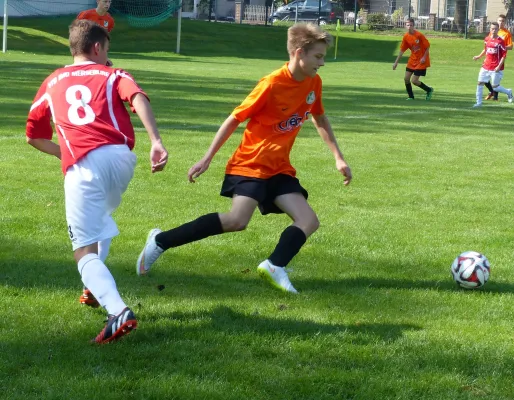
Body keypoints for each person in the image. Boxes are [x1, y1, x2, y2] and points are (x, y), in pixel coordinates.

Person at [136, 22, 352, 294]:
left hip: (279, 168)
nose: (322, 63)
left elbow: (319, 118)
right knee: (237, 221)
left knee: (309, 220)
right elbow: (234, 119)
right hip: (250, 164)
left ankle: (274, 266)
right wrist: (207, 158)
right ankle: (160, 241)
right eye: (318, 56)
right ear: (299, 53)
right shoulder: (271, 84)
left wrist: (338, 157)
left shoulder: (314, 82)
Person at [26, 19, 168, 343]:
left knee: (83, 250)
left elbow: (33, 136)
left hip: (84, 166)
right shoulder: (113, 74)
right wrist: (156, 141)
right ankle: (93, 288)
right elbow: (137, 97)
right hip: (121, 159)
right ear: (97, 47)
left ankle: (117, 312)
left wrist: (65, 152)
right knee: (101, 219)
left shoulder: (52, 81)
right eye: (106, 50)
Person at [472, 22, 513, 108]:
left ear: (498, 30)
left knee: (495, 87)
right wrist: (479, 56)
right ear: (490, 29)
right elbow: (485, 50)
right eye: (492, 29)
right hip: (485, 66)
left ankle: (508, 92)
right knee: (480, 83)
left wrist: (498, 66)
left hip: (495, 68)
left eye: (495, 29)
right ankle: (478, 103)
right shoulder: (487, 39)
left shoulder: (500, 41)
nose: (494, 30)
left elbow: (504, 55)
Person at [392, 18, 434, 101]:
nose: (409, 27)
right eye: (408, 25)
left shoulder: (419, 35)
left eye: (411, 25)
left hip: (421, 61)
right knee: (406, 79)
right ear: (405, 26)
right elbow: (402, 50)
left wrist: (424, 57)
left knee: (414, 81)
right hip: (412, 60)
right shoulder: (406, 37)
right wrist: (396, 62)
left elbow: (427, 46)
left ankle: (429, 90)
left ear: (413, 26)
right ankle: (411, 97)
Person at [484, 14, 513, 101]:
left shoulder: (507, 33)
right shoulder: (493, 31)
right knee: (484, 78)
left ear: (505, 22)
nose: (501, 22)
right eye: (500, 20)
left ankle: (495, 97)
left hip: (500, 58)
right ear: (497, 21)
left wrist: (500, 46)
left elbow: (510, 47)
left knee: (495, 80)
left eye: (503, 21)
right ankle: (492, 92)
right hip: (490, 58)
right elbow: (488, 44)